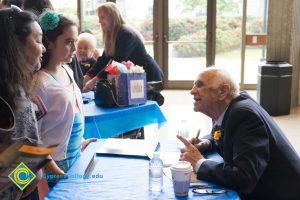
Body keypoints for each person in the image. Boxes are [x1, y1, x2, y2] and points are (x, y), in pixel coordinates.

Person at [177, 67, 300, 199]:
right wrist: (207, 143)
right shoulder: (227, 107)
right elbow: (227, 134)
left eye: (200, 85)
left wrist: (199, 162)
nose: (192, 91)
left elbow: (245, 177)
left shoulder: (243, 114)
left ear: (222, 91)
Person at [32, 11, 96, 188]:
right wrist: (52, 170)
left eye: (75, 42)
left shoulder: (66, 70)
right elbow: (31, 138)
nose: (75, 49)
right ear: (50, 42)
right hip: (51, 169)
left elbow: (65, 118)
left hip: (73, 158)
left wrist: (78, 141)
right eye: (69, 42)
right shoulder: (39, 84)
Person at [0, 6, 46, 199]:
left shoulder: (16, 87)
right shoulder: (6, 98)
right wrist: (25, 180)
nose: (43, 48)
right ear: (16, 46)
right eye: (38, 40)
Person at [83, 2, 164, 92]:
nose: (99, 21)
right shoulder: (112, 35)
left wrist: (93, 81)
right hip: (136, 76)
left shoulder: (125, 34)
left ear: (112, 17)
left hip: (149, 75)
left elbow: (116, 63)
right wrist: (87, 76)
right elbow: (103, 60)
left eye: (102, 17)